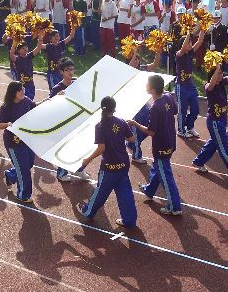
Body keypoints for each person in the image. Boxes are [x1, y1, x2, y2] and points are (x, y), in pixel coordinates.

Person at [77, 96, 137, 228]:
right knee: (125, 191)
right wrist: (129, 126)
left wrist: (88, 159)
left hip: (109, 167)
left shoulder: (100, 125)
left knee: (100, 192)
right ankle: (130, 220)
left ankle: (88, 211)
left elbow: (102, 148)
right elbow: (132, 139)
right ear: (114, 108)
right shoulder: (121, 122)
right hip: (123, 163)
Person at [128, 75, 182, 216]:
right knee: (159, 167)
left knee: (166, 175)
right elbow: (175, 111)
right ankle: (149, 190)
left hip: (161, 144)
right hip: (171, 140)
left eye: (147, 85)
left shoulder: (155, 106)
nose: (145, 86)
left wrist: (135, 123)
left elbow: (151, 132)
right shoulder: (169, 96)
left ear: (152, 90)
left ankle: (175, 206)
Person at [193, 52, 228, 180]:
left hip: (221, 120)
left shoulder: (222, 83)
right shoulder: (208, 87)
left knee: (214, 143)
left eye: (221, 73)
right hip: (214, 122)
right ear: (213, 75)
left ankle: (199, 161)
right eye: (220, 73)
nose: (222, 75)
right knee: (223, 147)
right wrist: (217, 67)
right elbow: (211, 84)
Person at [49, 58, 90, 182]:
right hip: (64, 122)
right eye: (68, 70)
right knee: (65, 148)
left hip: (78, 120)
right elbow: (49, 105)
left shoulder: (77, 83)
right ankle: (61, 172)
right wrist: (58, 98)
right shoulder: (57, 88)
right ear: (62, 72)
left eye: (72, 69)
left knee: (81, 146)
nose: (71, 72)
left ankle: (80, 169)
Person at [0, 81, 37, 203]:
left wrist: (50, 99)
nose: (22, 92)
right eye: (20, 90)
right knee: (24, 168)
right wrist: (8, 124)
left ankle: (10, 175)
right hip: (14, 143)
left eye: (22, 89)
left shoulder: (26, 101)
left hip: (26, 140)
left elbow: (36, 106)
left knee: (29, 163)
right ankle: (23, 194)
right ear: (13, 92)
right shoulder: (6, 107)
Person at [175, 31, 204, 138]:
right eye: (188, 43)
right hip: (181, 86)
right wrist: (188, 33)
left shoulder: (190, 53)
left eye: (191, 43)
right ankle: (181, 130)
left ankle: (190, 126)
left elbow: (200, 41)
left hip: (190, 85)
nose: (191, 44)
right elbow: (183, 48)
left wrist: (202, 27)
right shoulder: (179, 54)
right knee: (182, 110)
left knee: (195, 108)